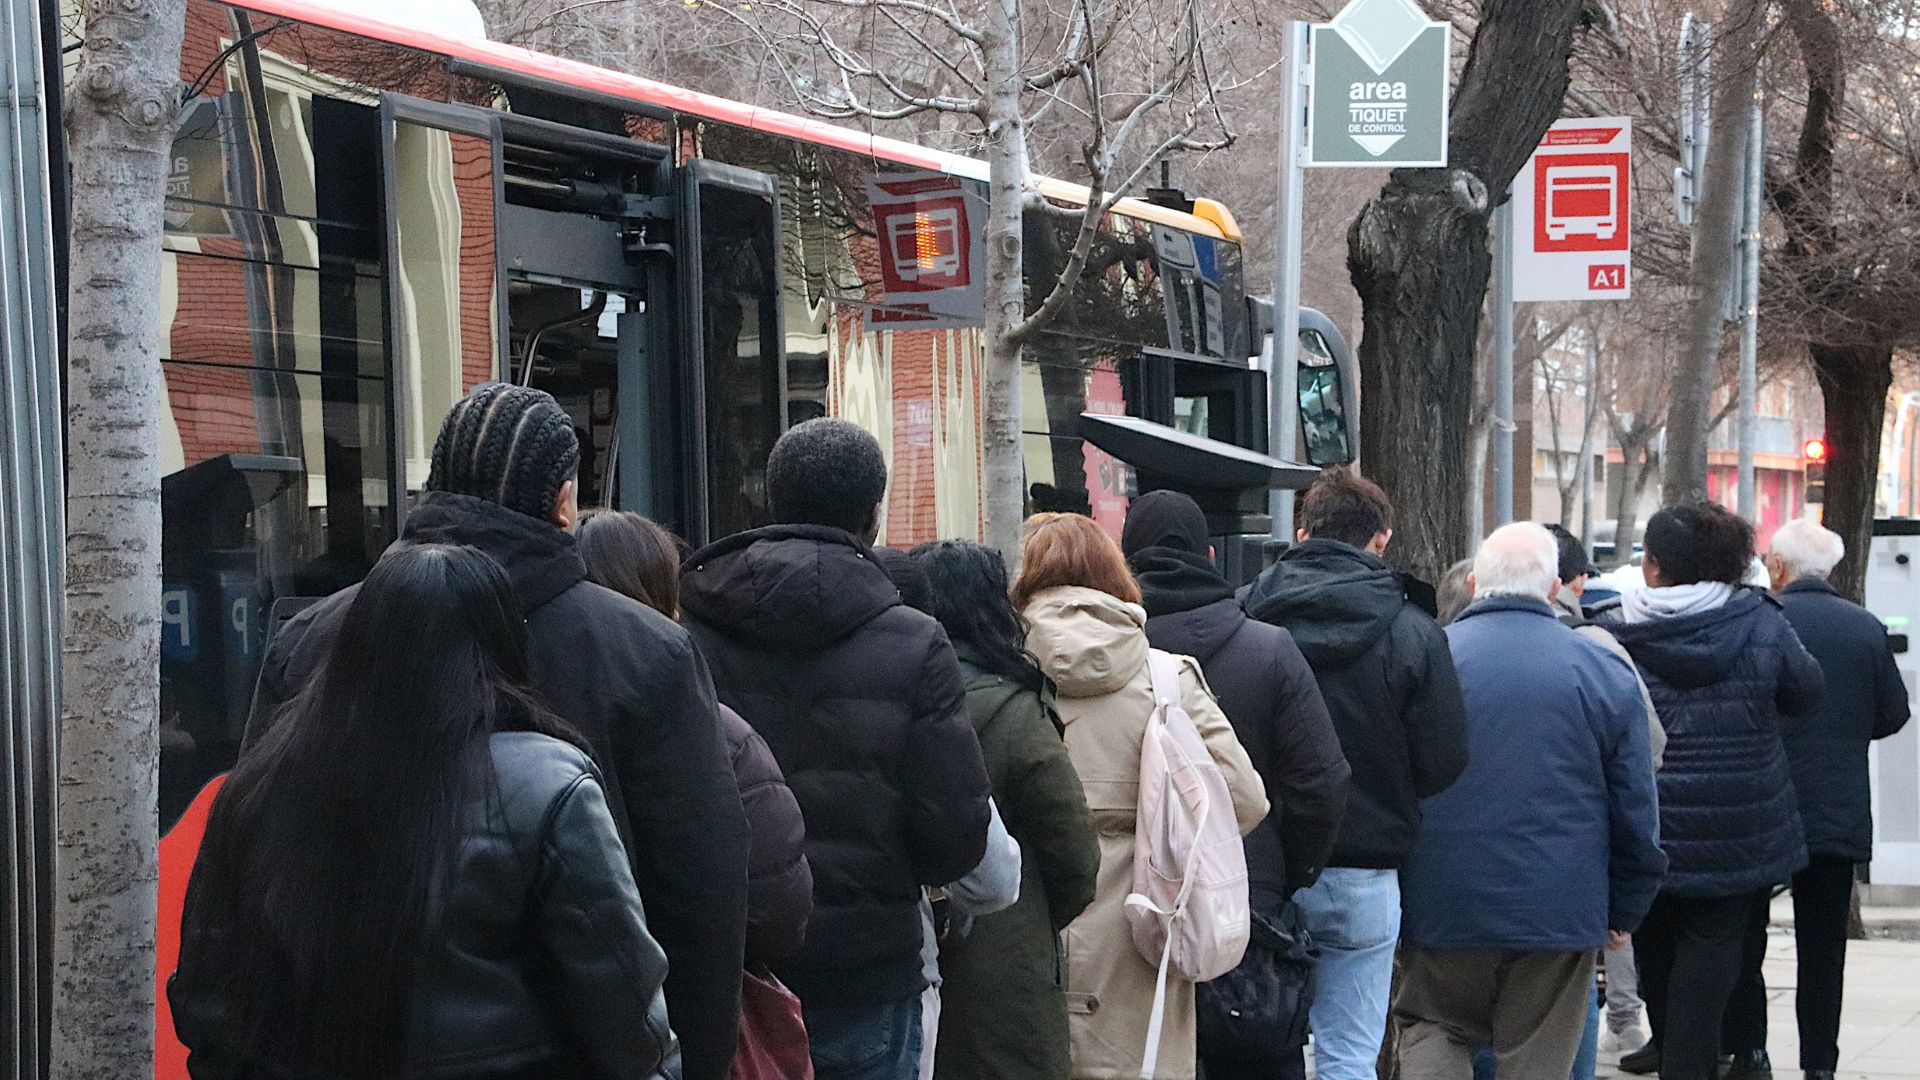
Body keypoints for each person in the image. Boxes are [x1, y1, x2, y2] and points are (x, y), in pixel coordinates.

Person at [247, 383, 749, 1080]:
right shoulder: (646, 652)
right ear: (564, 502)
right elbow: (701, 896)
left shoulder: (314, 638)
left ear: (437, 485)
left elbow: (251, 863)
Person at [172, 543, 678, 1079]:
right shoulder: (548, 784)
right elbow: (624, 1008)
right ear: (503, 638)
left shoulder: (263, 781)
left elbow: (206, 999)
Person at [682, 418, 993, 1080]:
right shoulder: (918, 642)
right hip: (868, 973)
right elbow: (954, 840)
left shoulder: (689, 625)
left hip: (731, 967)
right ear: (874, 515)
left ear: (772, 498)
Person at [1392, 523, 1666, 1080]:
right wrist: (1626, 906)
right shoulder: (1599, 670)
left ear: (1473, 583)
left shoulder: (1427, 661)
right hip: (1559, 903)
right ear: (1552, 589)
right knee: (1538, 1053)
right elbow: (1636, 806)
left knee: (1432, 1024)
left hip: (1440, 897)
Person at [1014, 512, 1269, 1080]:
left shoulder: (1004, 676)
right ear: (1115, 575)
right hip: (1144, 937)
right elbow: (1245, 800)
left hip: (1027, 935)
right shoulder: (1166, 681)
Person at [1241, 467, 1470, 1080]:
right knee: (1348, 1057)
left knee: (1258, 1044)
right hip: (1365, 866)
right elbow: (1444, 759)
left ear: (1300, 531)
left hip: (1259, 866)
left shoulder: (1249, 617)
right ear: (1380, 540)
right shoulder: (1413, 632)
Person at [1121, 491, 1349, 1080]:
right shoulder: (1270, 652)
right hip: (1249, 909)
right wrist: (1286, 870)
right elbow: (1321, 781)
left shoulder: (1116, 662)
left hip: (1135, 909)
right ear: (1209, 555)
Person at [1600, 502, 1823, 1080]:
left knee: (1655, 953)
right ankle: (1689, 1066)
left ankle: (1675, 1052)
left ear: (1651, 565)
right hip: (1738, 829)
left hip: (1643, 828)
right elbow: (1806, 692)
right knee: (1712, 960)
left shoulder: (1610, 634)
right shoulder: (1762, 622)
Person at [574, 508, 815, 968]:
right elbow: (778, 907)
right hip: (690, 995)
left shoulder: (522, 716)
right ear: (666, 606)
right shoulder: (717, 734)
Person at [1719, 519, 1911, 1080]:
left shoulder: (1758, 622)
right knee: (1824, 948)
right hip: (1836, 806)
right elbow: (1893, 713)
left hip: (1761, 804)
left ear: (1778, 566)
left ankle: (1751, 1052)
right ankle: (1820, 1065)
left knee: (1744, 937)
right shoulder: (1865, 627)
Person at [911, 538, 1103, 1080]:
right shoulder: (1017, 712)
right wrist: (1033, 918)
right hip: (1004, 971)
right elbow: (1074, 853)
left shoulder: (893, 693)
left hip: (910, 962)